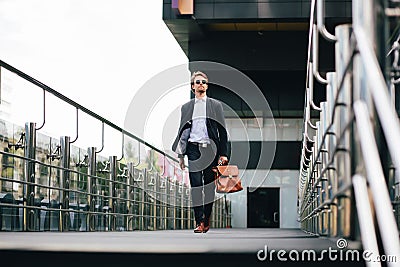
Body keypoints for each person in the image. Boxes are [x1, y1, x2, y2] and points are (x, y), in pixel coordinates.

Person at [172, 71, 228, 233]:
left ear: (207, 86)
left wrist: (223, 154)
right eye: (198, 82)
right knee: (196, 186)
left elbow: (222, 131)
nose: (201, 84)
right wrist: (181, 155)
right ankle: (199, 222)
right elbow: (182, 131)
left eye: (204, 82)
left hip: (211, 150)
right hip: (193, 149)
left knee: (209, 187)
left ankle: (206, 218)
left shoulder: (215, 105)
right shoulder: (187, 107)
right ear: (192, 87)